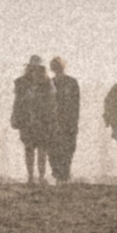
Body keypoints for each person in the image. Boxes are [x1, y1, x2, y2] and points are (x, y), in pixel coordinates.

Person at [11, 55, 54, 183]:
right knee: (29, 148)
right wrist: (15, 116)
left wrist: (51, 118)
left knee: (42, 149)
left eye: (38, 68)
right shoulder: (21, 82)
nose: (35, 70)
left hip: (42, 120)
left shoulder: (47, 83)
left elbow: (52, 102)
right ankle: (30, 176)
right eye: (33, 67)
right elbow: (17, 101)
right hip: (26, 119)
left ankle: (41, 176)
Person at [48, 56, 82, 184]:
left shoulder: (71, 82)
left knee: (66, 149)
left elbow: (76, 103)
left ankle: (63, 176)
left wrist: (74, 121)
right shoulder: (49, 83)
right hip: (55, 121)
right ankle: (59, 176)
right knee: (54, 149)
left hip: (67, 121)